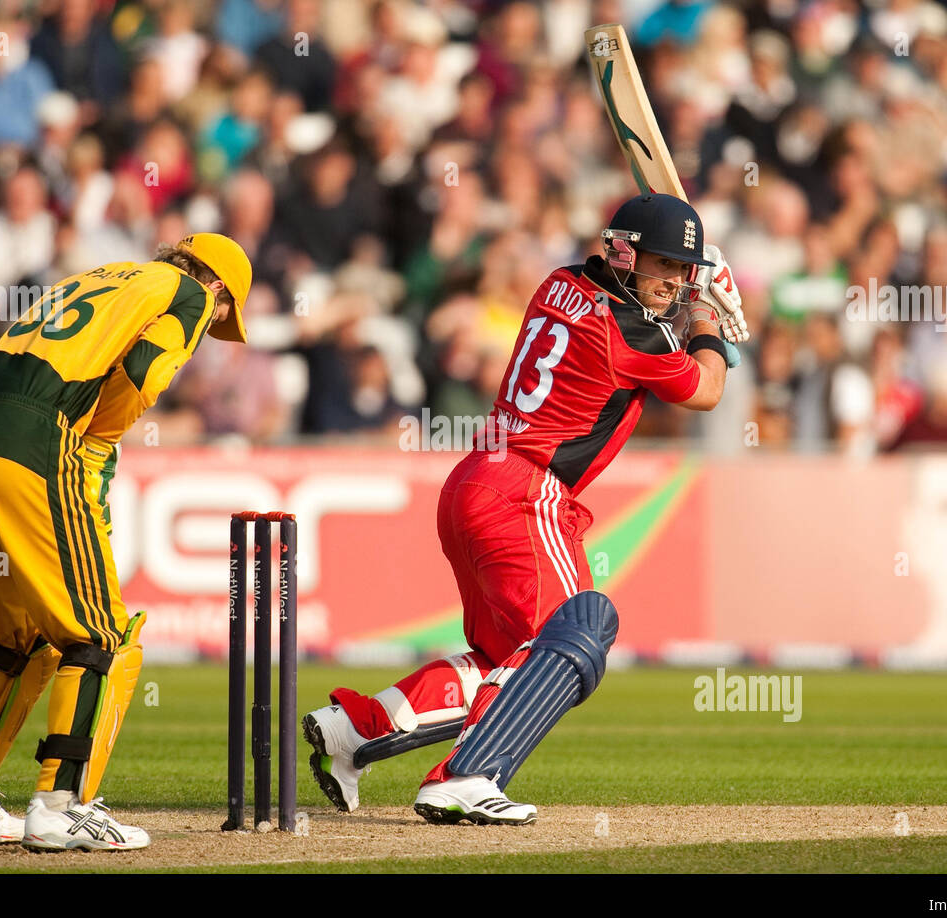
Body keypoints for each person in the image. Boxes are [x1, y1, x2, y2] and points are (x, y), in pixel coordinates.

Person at [303, 194, 747, 824]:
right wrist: (708, 314)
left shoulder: (558, 282)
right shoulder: (632, 329)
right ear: (623, 253)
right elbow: (706, 389)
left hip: (472, 482)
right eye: (663, 265)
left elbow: (643, 329)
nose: (673, 280)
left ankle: (356, 729)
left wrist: (691, 298)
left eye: (683, 268)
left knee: (505, 661)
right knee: (580, 628)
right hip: (526, 491)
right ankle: (466, 775)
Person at [0, 233, 251, 850]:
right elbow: (144, 375)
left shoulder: (101, 274)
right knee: (102, 635)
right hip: (32, 441)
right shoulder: (192, 293)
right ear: (221, 289)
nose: (214, 327)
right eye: (224, 318)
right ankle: (64, 805)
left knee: (20, 630)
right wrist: (97, 444)